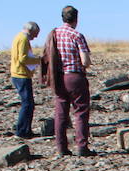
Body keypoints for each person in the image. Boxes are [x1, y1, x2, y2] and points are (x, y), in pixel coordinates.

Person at [41, 5, 93, 156]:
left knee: (61, 113)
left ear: (62, 17)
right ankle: (82, 146)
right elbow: (85, 61)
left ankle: (61, 147)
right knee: (81, 111)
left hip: (58, 77)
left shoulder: (54, 34)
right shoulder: (76, 35)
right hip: (75, 76)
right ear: (76, 18)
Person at [10, 22, 41, 138]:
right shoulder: (23, 39)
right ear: (30, 30)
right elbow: (23, 58)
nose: (36, 36)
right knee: (27, 103)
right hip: (21, 74)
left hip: (19, 73)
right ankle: (22, 131)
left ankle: (26, 130)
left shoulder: (19, 37)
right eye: (36, 33)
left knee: (28, 103)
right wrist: (38, 60)